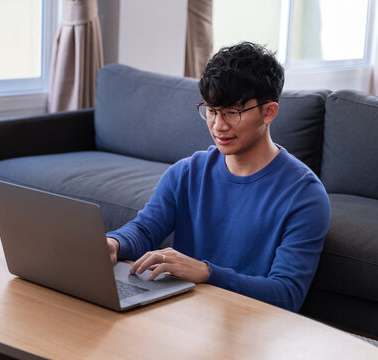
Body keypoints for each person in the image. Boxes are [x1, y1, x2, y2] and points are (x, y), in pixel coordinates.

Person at [105, 42, 330, 312]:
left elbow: (287, 294)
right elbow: (144, 230)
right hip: (182, 315)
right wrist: (114, 242)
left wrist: (207, 272)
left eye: (232, 113)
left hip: (251, 328)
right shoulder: (187, 172)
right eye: (211, 111)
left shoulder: (304, 195)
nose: (218, 126)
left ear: (268, 112)